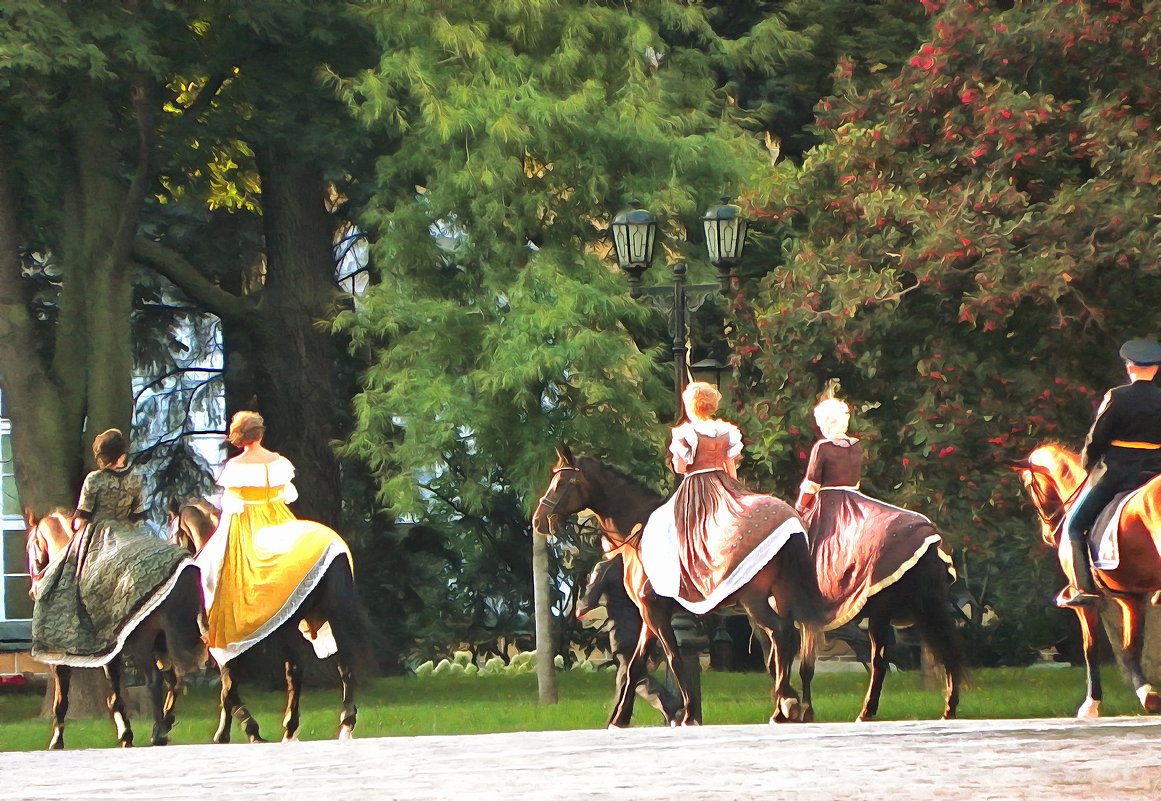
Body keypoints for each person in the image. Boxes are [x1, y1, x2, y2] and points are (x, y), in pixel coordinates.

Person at [196, 410, 352, 665]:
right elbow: (286, 496)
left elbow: (233, 505)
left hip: (246, 521)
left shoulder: (235, 466)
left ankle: (213, 632)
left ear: (240, 435)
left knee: (208, 569)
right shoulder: (277, 461)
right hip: (277, 515)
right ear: (260, 433)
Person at [639, 381, 804, 614]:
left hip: (697, 484)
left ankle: (666, 582)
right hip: (725, 482)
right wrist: (734, 488)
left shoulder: (686, 433)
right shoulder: (726, 431)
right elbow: (730, 466)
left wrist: (678, 459)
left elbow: (681, 466)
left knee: (665, 522)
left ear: (691, 405)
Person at [1058, 338, 1161, 608]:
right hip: (1155, 471)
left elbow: (1098, 436)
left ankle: (1083, 588)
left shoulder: (1117, 396)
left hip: (1118, 472)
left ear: (1129, 368)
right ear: (1156, 369)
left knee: (1074, 525)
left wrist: (1087, 461)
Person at [576, 551, 680, 724]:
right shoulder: (642, 563)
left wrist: (580, 608)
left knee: (634, 676)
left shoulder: (606, 568)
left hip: (622, 632)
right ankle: (618, 721)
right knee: (626, 677)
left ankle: (672, 707)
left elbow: (588, 602)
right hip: (647, 628)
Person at [795, 398, 862, 517]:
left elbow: (811, 485)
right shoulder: (856, 446)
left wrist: (799, 507)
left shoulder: (822, 447)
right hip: (856, 502)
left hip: (831, 505)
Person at [72, 428, 147, 530]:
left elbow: (83, 516)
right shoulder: (136, 479)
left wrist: (75, 529)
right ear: (122, 457)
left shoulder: (94, 478)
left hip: (97, 534)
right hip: (126, 535)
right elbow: (138, 515)